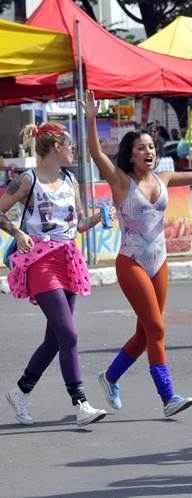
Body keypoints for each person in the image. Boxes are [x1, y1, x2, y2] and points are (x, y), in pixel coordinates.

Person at [84, 90, 192, 418]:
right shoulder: (120, 181)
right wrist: (91, 119)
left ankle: (109, 376)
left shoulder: (164, 177)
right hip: (131, 260)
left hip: (159, 261)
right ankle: (167, 397)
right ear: (130, 155)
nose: (147, 151)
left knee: (145, 332)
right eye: (140, 148)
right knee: (157, 329)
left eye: (150, 146)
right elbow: (93, 151)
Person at [1, 123, 108, 427]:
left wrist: (100, 216)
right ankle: (81, 402)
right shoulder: (28, 180)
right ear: (55, 146)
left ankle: (20, 392)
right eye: (69, 144)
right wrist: (17, 230)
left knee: (55, 339)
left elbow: (79, 224)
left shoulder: (71, 179)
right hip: (40, 261)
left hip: (67, 259)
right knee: (69, 334)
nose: (73, 149)